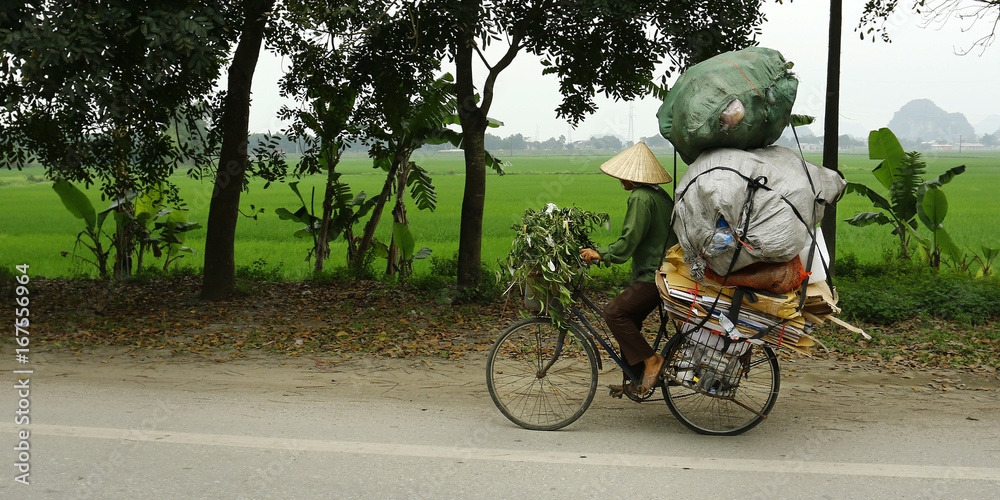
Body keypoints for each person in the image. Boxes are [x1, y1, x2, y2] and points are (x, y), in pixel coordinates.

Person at [579, 142, 677, 393]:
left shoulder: (640, 197)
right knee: (628, 319)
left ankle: (652, 361)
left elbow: (629, 240)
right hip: (665, 271)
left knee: (613, 313)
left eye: (623, 174)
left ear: (632, 176)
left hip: (654, 275)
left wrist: (603, 255)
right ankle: (638, 379)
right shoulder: (658, 195)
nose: (620, 178)